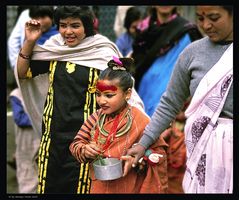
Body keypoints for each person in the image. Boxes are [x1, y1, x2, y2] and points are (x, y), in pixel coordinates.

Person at [15, 6, 144, 194]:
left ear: (87, 26)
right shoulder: (55, 50)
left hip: (87, 142)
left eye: (75, 25)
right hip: (53, 141)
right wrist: (30, 41)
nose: (68, 31)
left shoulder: (103, 52)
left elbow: (123, 91)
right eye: (63, 25)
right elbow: (22, 73)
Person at [126, 6, 233, 193]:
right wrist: (143, 143)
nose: (206, 25)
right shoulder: (192, 53)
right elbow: (170, 103)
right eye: (200, 18)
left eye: (214, 18)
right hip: (201, 149)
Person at [69, 57, 168, 193]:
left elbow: (158, 153)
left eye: (109, 95)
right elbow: (76, 143)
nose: (101, 101)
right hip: (98, 187)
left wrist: (141, 159)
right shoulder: (96, 118)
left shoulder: (140, 120)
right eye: (98, 94)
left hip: (128, 187)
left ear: (127, 94)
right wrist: (85, 149)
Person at [7, 6, 58, 193]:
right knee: (30, 164)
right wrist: (18, 69)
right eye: (37, 16)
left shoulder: (59, 37)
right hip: (29, 83)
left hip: (49, 92)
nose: (41, 21)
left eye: (45, 16)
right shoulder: (30, 35)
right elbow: (16, 47)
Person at [132, 6, 202, 116]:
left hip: (171, 97)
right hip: (143, 92)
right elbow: (137, 64)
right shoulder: (143, 31)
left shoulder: (187, 31)